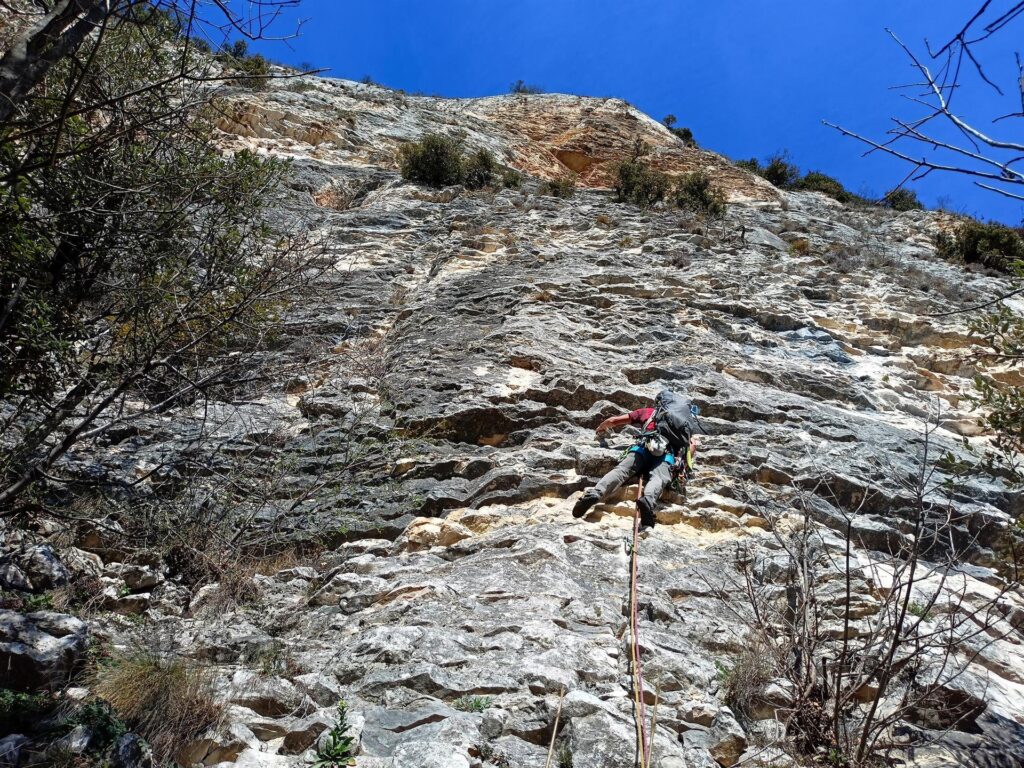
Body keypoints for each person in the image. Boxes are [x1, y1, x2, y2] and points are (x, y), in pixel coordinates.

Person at [572, 403, 699, 533]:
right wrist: (684, 464)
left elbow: (613, 421)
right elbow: (692, 445)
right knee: (659, 478)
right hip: (666, 455)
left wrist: (600, 429)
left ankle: (596, 493)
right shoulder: (684, 423)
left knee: (621, 471)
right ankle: (647, 502)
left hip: (642, 448)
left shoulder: (650, 412)